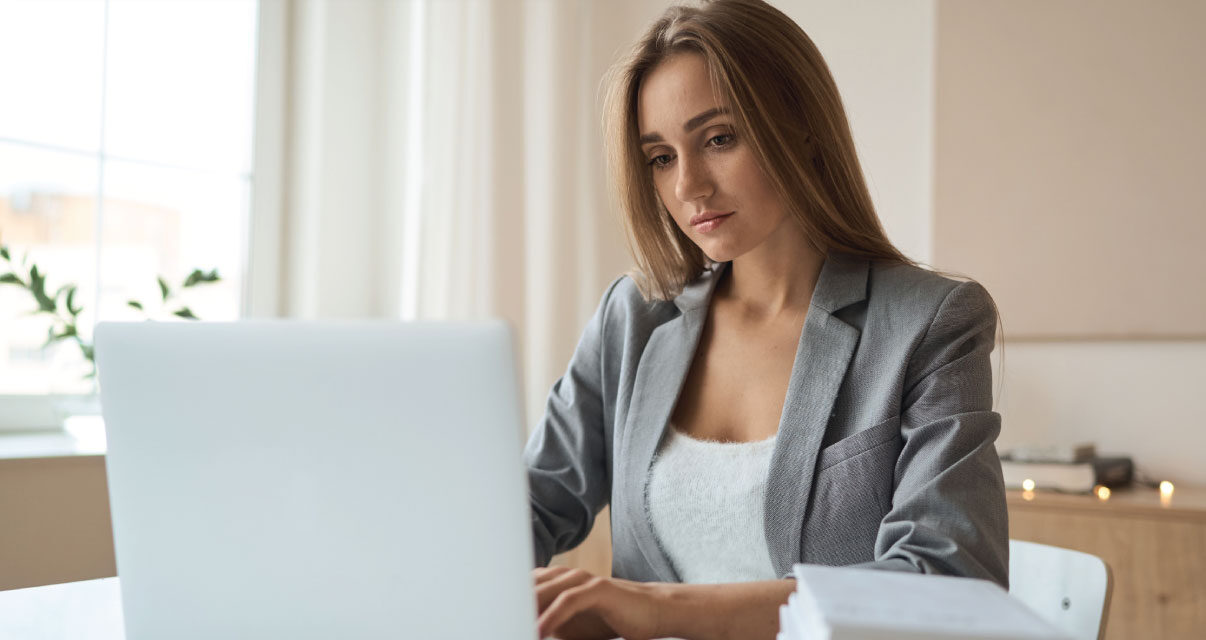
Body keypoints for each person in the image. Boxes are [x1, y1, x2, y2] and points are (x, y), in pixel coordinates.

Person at [525, 1, 1007, 638]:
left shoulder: (932, 323)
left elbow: (949, 580)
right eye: (661, 158)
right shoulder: (634, 319)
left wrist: (655, 610)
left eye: (719, 139)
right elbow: (527, 508)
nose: (689, 186)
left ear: (802, 129)